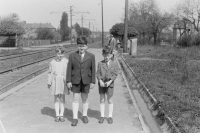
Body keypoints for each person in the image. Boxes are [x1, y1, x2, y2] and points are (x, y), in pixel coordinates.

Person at [66, 36, 96, 126]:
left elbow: (93, 69)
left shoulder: (91, 56)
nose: (81, 48)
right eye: (79, 46)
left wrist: (93, 82)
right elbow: (69, 69)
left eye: (83, 46)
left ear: (86, 46)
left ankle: (84, 115)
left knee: (85, 98)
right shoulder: (72, 56)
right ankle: (75, 117)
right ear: (77, 46)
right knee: (75, 98)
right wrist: (68, 81)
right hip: (75, 80)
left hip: (86, 80)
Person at [96, 46, 118, 124]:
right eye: (105, 55)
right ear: (103, 55)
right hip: (101, 84)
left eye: (108, 55)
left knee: (110, 100)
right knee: (102, 99)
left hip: (110, 84)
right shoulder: (100, 63)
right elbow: (98, 73)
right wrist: (100, 80)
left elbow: (115, 74)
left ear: (111, 55)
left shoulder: (114, 64)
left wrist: (110, 81)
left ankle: (110, 116)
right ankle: (102, 116)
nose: (107, 57)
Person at [47, 47, 70, 122]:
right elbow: (49, 73)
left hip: (63, 81)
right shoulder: (52, 62)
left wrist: (69, 82)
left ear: (64, 54)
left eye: (61, 54)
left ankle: (61, 114)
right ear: (56, 54)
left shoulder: (66, 61)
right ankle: (57, 115)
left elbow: (69, 73)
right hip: (55, 81)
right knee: (56, 98)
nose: (60, 56)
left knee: (62, 98)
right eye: (58, 54)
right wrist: (49, 82)